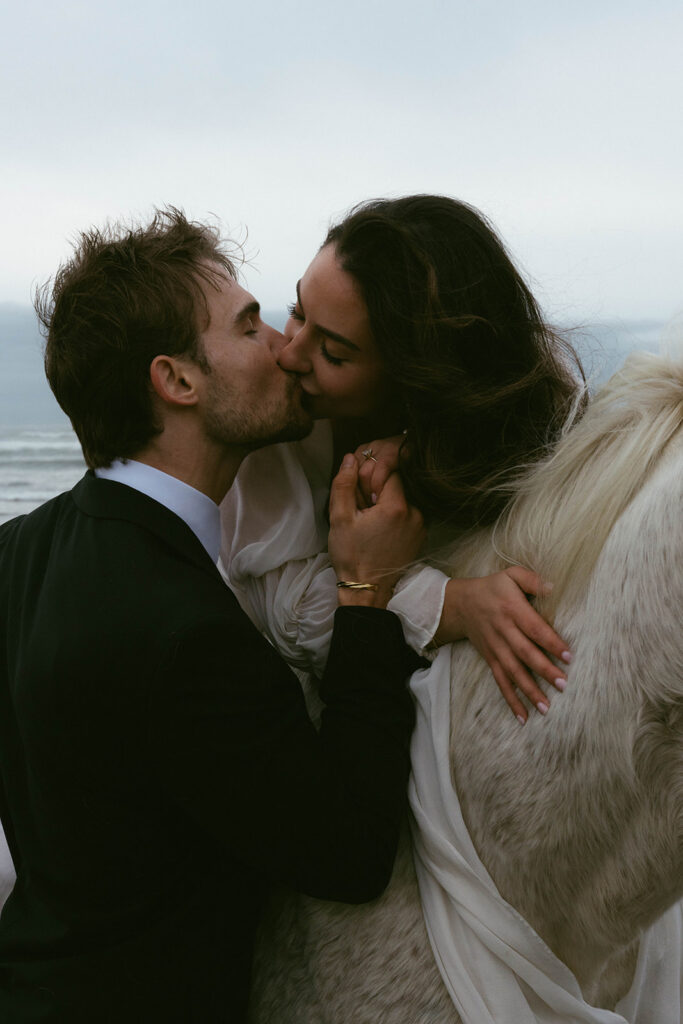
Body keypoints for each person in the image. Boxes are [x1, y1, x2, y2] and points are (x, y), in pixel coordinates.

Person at [0, 209, 428, 1022]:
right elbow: (348, 852)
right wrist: (366, 594)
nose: (282, 347)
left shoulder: (18, 550)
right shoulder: (188, 633)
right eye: (248, 325)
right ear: (179, 381)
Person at [219, 194, 586, 725]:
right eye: (298, 311)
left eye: (334, 353)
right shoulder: (275, 427)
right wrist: (454, 605)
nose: (288, 353)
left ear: (417, 376)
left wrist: (423, 449)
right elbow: (291, 613)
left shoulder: (522, 418)